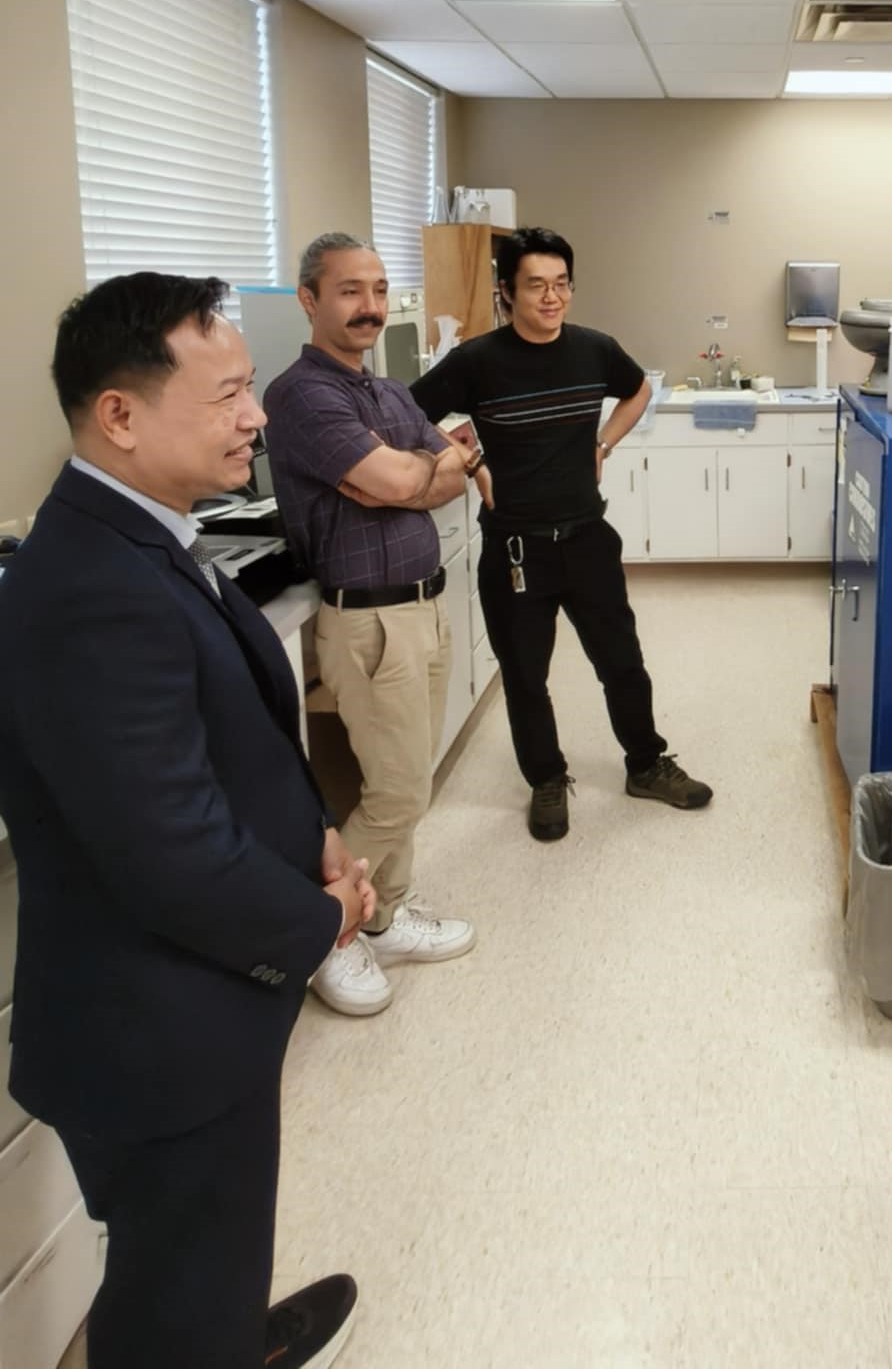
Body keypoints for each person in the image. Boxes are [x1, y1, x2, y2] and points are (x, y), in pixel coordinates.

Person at [0, 274, 364, 1369]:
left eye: (251, 387)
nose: (256, 416)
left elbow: (229, 738)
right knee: (176, 1285)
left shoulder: (146, 534)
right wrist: (321, 917)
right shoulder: (91, 587)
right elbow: (171, 849)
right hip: (156, 1030)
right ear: (119, 413)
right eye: (228, 395)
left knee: (207, 1254)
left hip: (200, 1004)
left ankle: (232, 1331)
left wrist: (316, 831)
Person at [411, 226, 711, 842]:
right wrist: (470, 461)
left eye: (561, 284)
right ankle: (546, 779)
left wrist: (603, 443)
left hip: (587, 538)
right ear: (506, 292)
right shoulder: (476, 362)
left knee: (623, 663)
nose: (552, 298)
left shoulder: (594, 350)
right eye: (536, 286)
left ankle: (646, 763)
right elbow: (403, 413)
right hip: (516, 548)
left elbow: (638, 389)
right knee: (526, 677)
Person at [262, 234, 480, 1018]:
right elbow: (411, 472)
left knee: (407, 780)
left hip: (422, 605)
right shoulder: (300, 395)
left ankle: (384, 917)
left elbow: (455, 468)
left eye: (380, 289)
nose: (371, 306)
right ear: (309, 299)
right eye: (350, 290)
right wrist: (415, 472)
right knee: (397, 790)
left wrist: (415, 475)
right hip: (370, 619)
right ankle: (326, 934)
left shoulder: (388, 392)